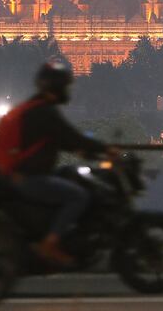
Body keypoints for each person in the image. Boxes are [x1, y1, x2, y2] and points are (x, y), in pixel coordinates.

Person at [7, 59, 116, 266]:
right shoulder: (45, 112)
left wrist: (80, 149)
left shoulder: (33, 108)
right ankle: (51, 243)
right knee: (78, 196)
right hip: (31, 178)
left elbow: (60, 140)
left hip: (28, 174)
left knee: (68, 173)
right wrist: (103, 149)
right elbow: (69, 136)